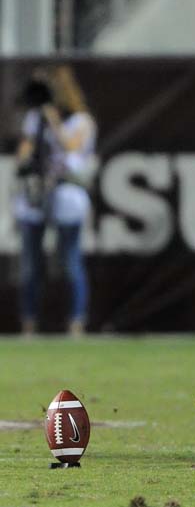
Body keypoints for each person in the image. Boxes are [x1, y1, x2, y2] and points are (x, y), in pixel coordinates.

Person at [13, 65, 97, 337]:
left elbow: (71, 146)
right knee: (31, 263)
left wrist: (52, 118)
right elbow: (23, 153)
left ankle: (76, 321)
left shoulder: (82, 121)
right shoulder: (34, 119)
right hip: (37, 193)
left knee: (70, 259)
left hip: (66, 192)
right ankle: (29, 323)